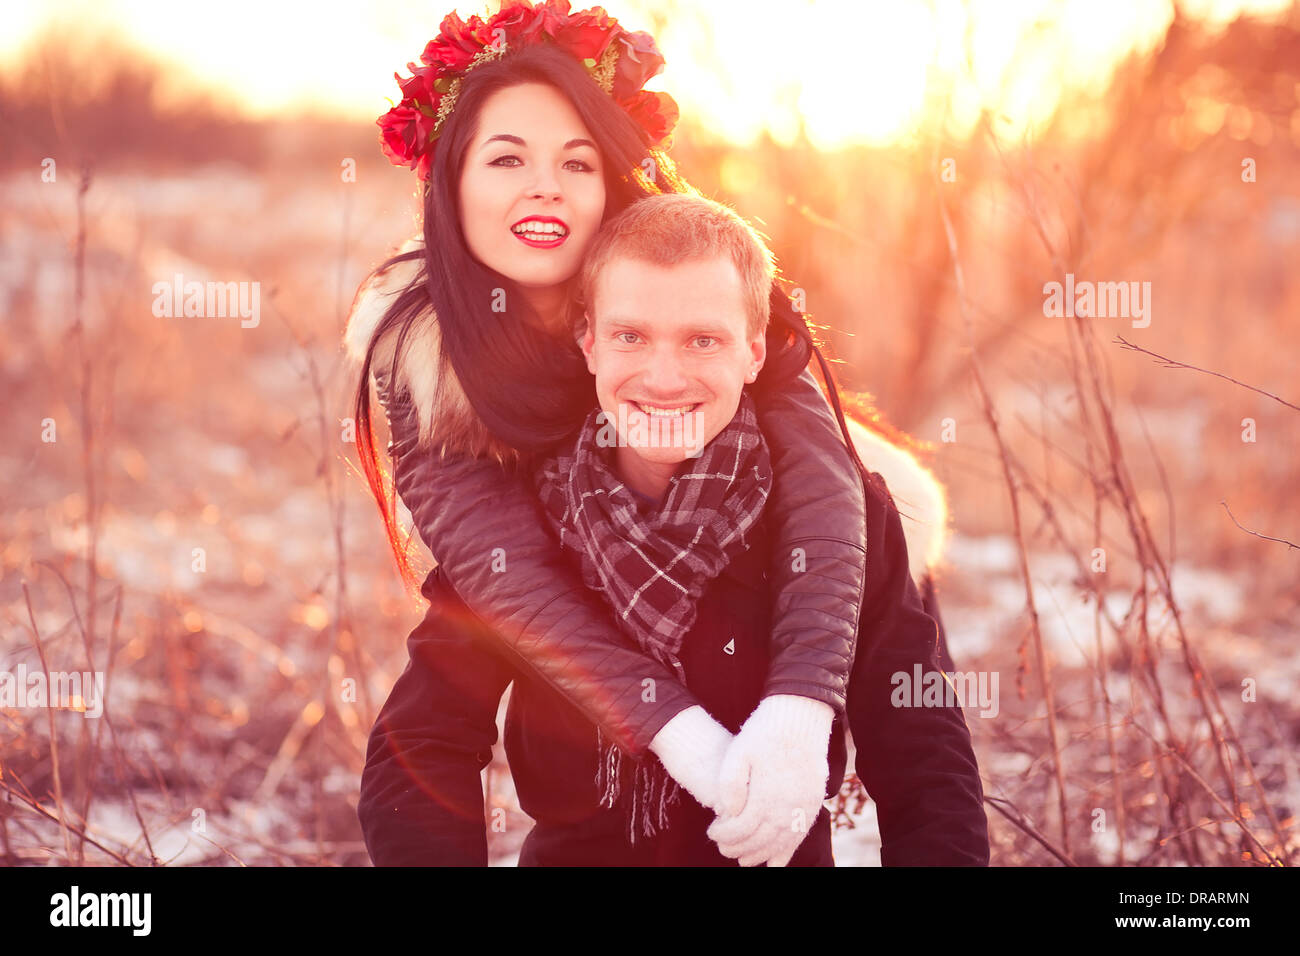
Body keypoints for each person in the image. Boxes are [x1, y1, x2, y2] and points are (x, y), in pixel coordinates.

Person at [345, 0, 947, 864]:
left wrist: (802, 703)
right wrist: (681, 736)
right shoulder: (457, 408)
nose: (543, 185)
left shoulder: (782, 436)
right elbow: (428, 736)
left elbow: (922, 753)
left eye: (575, 160)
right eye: (506, 156)